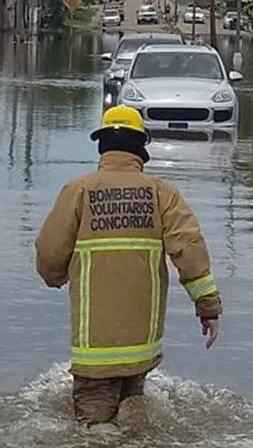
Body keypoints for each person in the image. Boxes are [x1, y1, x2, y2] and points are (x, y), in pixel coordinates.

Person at [34, 105, 223, 429]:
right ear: (141, 147)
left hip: (94, 354)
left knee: (92, 437)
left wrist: (55, 277)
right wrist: (208, 308)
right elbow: (190, 252)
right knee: (134, 429)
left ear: (102, 146)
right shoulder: (163, 195)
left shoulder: (78, 192)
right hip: (141, 350)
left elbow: (49, 256)